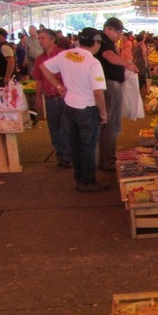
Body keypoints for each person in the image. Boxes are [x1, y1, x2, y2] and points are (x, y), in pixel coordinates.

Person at [39, 27, 108, 193]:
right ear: (96, 42)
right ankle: (88, 181)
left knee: (76, 145)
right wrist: (104, 113)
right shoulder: (93, 63)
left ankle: (79, 177)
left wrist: (58, 86)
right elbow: (98, 92)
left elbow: (43, 67)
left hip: (70, 107)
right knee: (89, 146)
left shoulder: (66, 55)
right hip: (87, 109)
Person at [94, 17, 138, 171]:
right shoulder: (104, 42)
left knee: (107, 124)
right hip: (110, 85)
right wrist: (127, 63)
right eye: (118, 31)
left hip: (108, 84)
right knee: (112, 124)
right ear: (109, 29)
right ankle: (108, 161)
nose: (120, 35)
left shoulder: (104, 41)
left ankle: (105, 158)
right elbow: (108, 56)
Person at [33, 28, 71, 168]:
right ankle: (60, 155)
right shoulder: (39, 59)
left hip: (65, 97)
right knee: (54, 128)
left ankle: (68, 156)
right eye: (39, 38)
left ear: (52, 39)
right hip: (49, 98)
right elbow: (39, 79)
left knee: (66, 128)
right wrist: (38, 97)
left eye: (42, 38)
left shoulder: (64, 55)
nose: (40, 41)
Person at [133, 31, 150, 95]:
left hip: (137, 62)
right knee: (144, 77)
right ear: (143, 38)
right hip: (142, 62)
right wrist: (146, 63)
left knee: (139, 76)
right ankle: (145, 92)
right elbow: (144, 55)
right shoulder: (142, 45)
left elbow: (133, 54)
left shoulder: (136, 44)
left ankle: (139, 91)